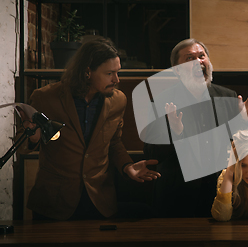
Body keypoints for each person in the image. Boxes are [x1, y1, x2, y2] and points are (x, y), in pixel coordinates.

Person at [18, 38, 160, 221]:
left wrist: (127, 166)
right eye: (109, 73)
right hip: (54, 202)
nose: (116, 80)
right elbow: (21, 145)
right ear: (87, 72)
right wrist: (33, 138)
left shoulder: (118, 100)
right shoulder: (45, 97)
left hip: (99, 201)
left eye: (117, 72)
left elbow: (114, 142)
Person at [143, 38, 248, 217]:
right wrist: (175, 132)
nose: (198, 62)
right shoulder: (160, 103)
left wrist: (244, 121)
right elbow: (152, 155)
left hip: (221, 194)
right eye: (190, 58)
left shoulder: (228, 97)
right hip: (176, 199)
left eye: (202, 56)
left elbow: (243, 149)